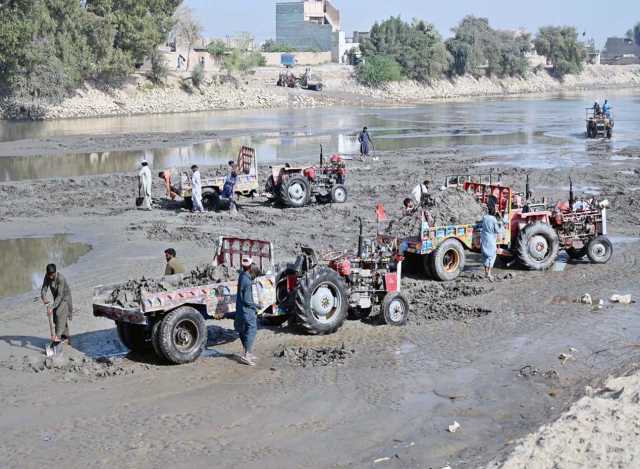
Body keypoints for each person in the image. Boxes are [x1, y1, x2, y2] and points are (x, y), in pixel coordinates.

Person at [40, 264, 73, 344]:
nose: (51, 277)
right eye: (49, 275)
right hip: (56, 298)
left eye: (52, 275)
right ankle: (65, 337)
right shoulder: (47, 276)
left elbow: (60, 295)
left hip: (64, 298)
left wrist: (52, 307)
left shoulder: (60, 278)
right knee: (55, 317)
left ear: (55, 272)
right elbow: (44, 288)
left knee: (59, 314)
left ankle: (58, 336)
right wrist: (44, 298)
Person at [234, 256, 258, 366]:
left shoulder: (241, 275)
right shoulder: (247, 281)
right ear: (250, 267)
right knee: (252, 329)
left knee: (243, 329)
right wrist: (256, 306)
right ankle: (247, 354)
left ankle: (247, 352)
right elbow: (247, 300)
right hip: (246, 309)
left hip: (240, 308)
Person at [480, 202, 503, 282]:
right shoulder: (493, 219)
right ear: (493, 211)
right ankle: (489, 273)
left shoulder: (485, 217)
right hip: (490, 239)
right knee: (492, 256)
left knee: (485, 255)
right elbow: (497, 230)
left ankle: (485, 272)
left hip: (484, 238)